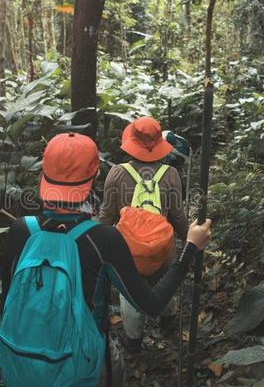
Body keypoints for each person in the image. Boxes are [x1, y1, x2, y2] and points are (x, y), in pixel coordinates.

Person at [0, 132, 211, 387]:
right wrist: (190, 248)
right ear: (95, 177)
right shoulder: (103, 240)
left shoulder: (21, 230)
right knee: (115, 365)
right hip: (81, 366)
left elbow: (9, 298)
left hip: (19, 359)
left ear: (43, 175)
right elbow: (151, 305)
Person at [99, 117, 189, 352]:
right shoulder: (170, 174)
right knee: (164, 279)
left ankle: (133, 339)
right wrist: (190, 242)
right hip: (162, 246)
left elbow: (107, 215)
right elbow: (177, 215)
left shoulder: (116, 174)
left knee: (129, 293)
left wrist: (99, 245)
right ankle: (168, 318)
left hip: (127, 249)